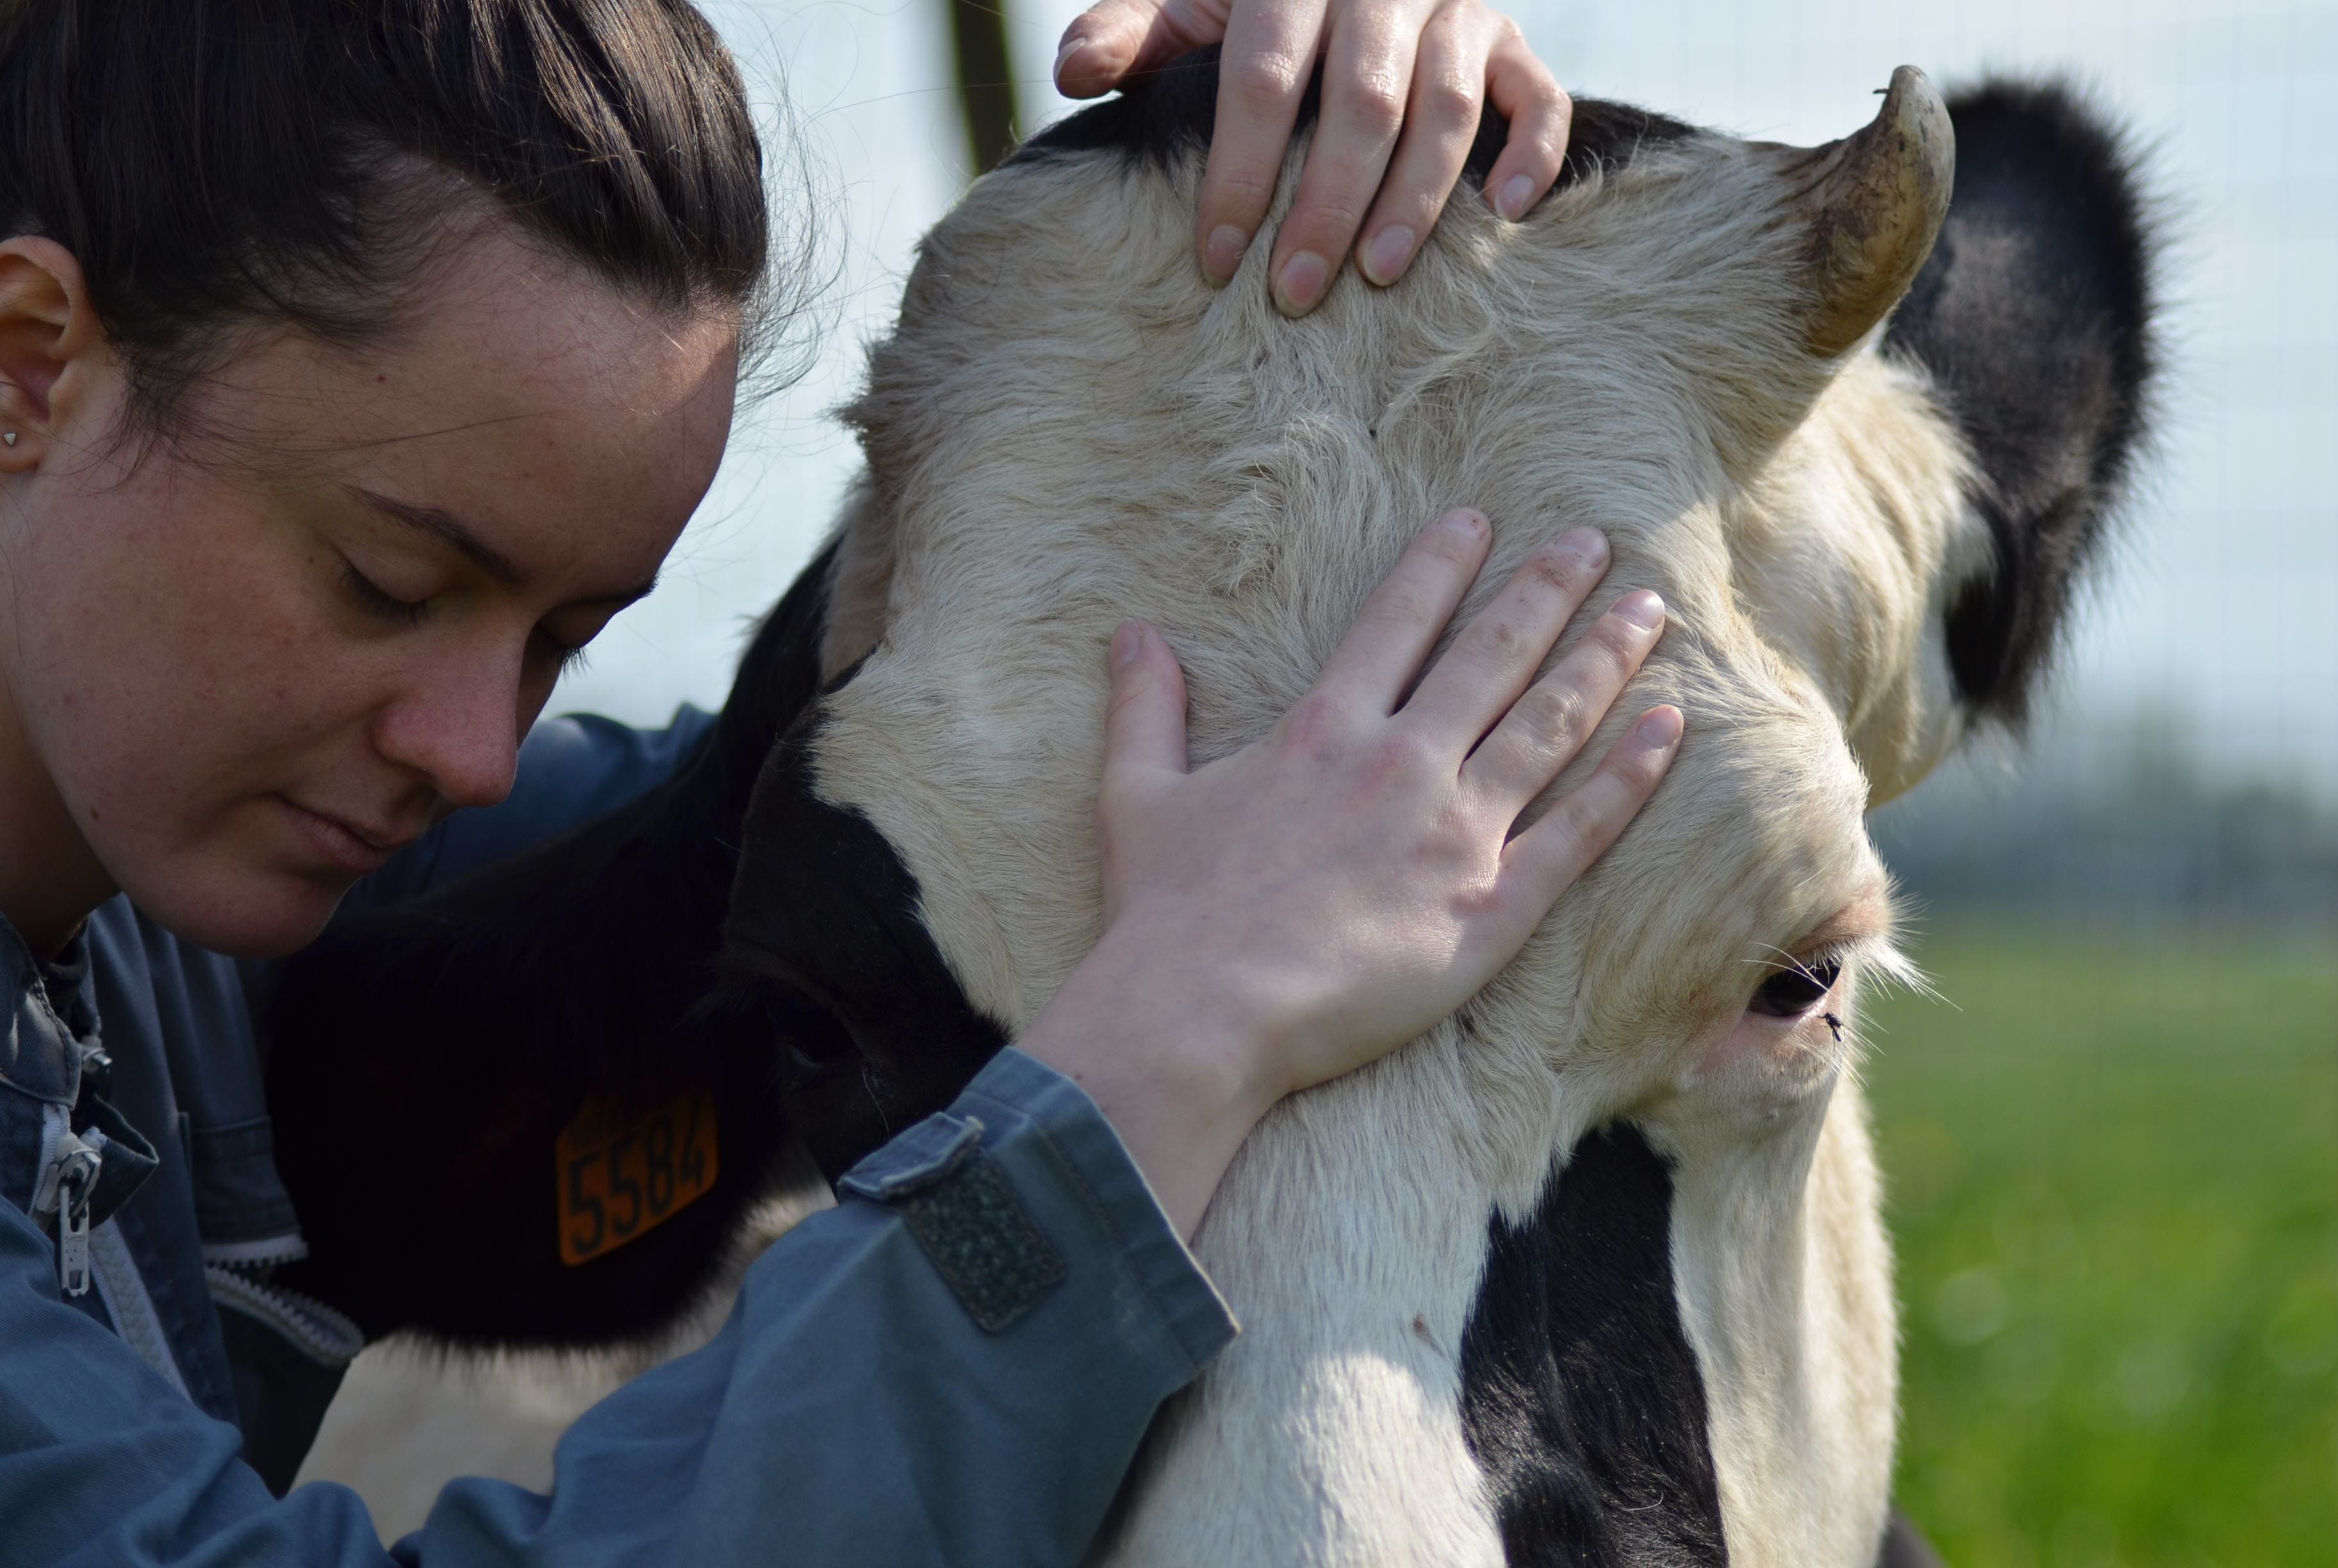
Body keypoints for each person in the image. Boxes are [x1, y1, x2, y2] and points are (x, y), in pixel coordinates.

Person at [0, 1, 1681, 1562]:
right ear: (28, 362)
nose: (475, 752)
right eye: (387, 583)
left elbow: (843, 804)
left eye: (560, 639)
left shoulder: (147, 876)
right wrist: (1162, 1049)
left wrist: (1212, 243)